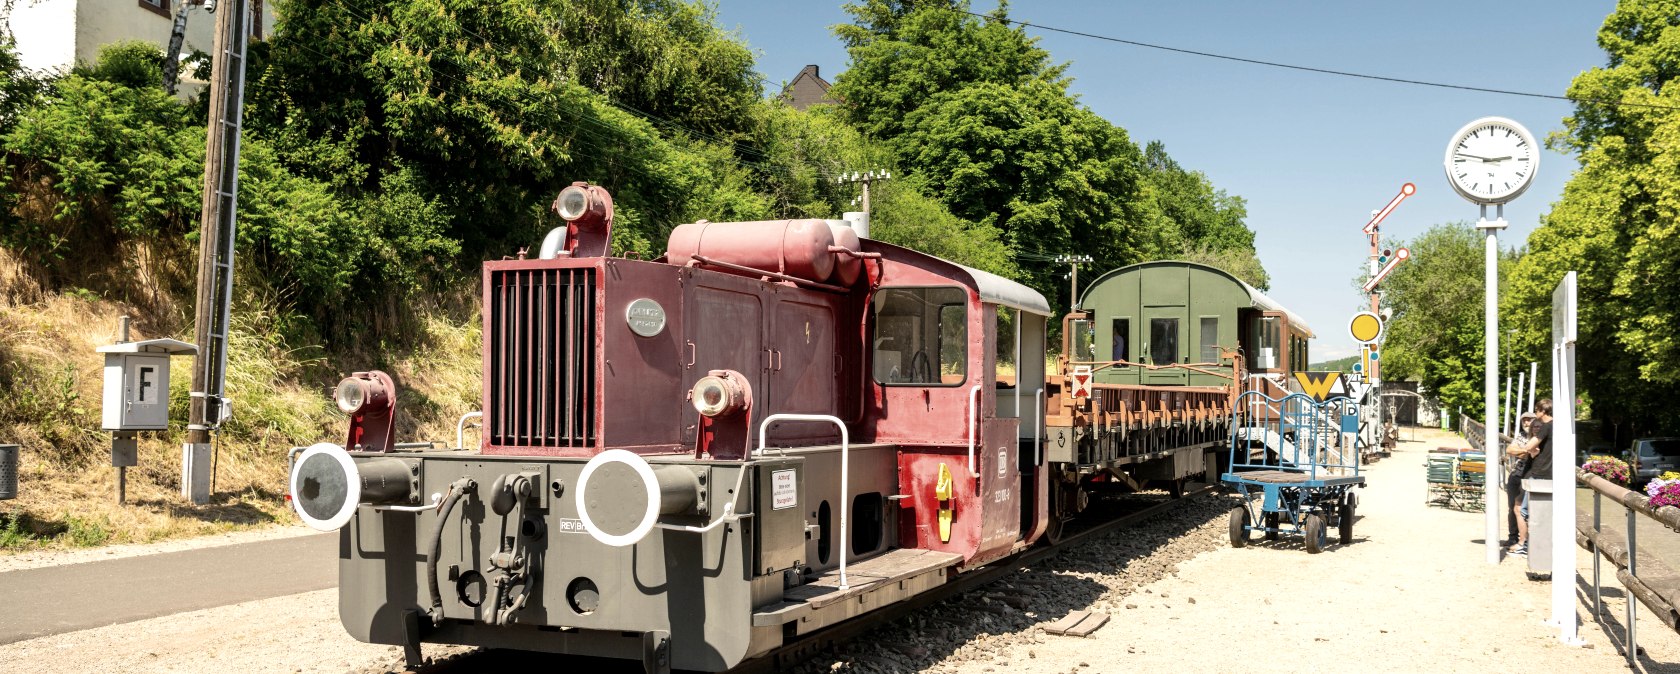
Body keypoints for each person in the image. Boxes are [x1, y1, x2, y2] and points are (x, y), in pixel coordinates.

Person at [1505, 399, 1554, 556]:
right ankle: (1525, 543)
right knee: (1523, 508)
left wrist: (1527, 450)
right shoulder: (1555, 426)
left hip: (1538, 474)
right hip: (1540, 474)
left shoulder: (1546, 427)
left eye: (1536, 411)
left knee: (1524, 510)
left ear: (1541, 411)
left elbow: (1529, 446)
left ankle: (1526, 545)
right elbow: (1511, 449)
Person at [1504, 413, 1537, 549]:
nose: (1527, 423)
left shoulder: (1538, 437)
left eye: (1529, 420)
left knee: (1522, 508)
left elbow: (1534, 453)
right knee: (1512, 507)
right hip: (1516, 472)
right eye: (1524, 420)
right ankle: (1513, 537)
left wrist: (1521, 451)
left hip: (1529, 474)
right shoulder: (1521, 435)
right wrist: (1526, 451)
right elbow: (1509, 450)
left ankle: (1527, 541)